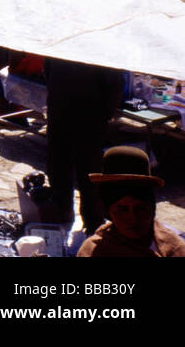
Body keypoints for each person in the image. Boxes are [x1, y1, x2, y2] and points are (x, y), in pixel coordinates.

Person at [45, 56, 125, 235]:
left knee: (68, 167)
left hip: (68, 110)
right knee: (83, 170)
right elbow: (115, 85)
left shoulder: (69, 44)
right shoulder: (100, 50)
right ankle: (86, 219)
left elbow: (48, 70)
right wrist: (106, 115)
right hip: (85, 114)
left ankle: (73, 214)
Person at [77, 146, 185, 258]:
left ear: (152, 209)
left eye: (141, 209)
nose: (133, 218)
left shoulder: (175, 248)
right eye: (123, 209)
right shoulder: (93, 251)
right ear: (108, 211)